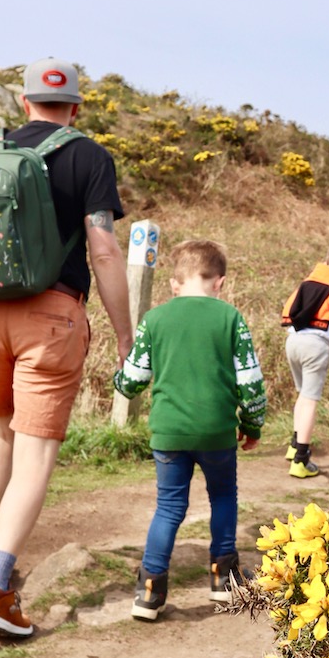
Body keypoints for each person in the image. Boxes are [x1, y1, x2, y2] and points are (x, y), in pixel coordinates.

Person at [0, 57, 133, 638]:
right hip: (51, 316)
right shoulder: (89, 156)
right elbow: (104, 250)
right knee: (34, 456)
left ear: (23, 102)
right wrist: (126, 332)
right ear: (77, 108)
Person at [113, 239, 267, 621]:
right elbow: (251, 383)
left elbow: (131, 382)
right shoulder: (230, 318)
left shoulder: (155, 319)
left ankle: (149, 591)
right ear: (221, 283)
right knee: (223, 498)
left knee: (169, 507)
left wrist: (120, 376)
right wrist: (252, 426)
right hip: (217, 433)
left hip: (169, 434)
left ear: (173, 283)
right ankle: (223, 578)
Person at [281, 241, 329, 478]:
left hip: (292, 341)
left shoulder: (311, 279)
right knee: (311, 400)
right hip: (316, 345)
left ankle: (294, 445)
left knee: (303, 395)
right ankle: (301, 461)